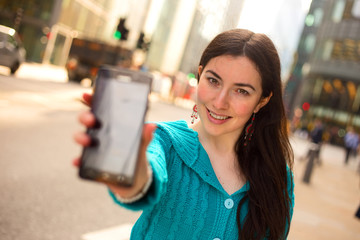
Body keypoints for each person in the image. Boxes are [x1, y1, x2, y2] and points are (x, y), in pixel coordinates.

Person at [74, 29, 295, 240]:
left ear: (262, 101)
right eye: (213, 81)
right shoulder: (163, 141)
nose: (219, 102)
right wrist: (130, 172)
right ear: (199, 76)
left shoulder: (278, 177)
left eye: (241, 91)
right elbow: (145, 179)